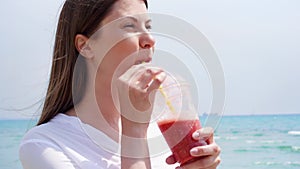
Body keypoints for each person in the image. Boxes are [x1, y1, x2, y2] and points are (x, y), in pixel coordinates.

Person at [19, 0, 221, 168]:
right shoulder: (44, 146)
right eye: (129, 26)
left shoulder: (164, 132)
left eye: (148, 27)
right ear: (86, 46)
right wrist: (134, 130)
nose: (149, 40)